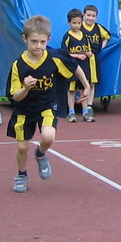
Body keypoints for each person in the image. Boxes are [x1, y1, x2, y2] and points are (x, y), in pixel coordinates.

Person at [7, 15, 93, 194]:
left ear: (49, 40)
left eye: (42, 42)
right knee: (22, 147)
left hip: (47, 106)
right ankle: (21, 175)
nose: (38, 46)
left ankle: (40, 153)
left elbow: (74, 66)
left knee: (48, 137)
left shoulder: (54, 57)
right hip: (24, 109)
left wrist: (85, 85)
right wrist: (25, 88)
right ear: (25, 39)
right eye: (34, 42)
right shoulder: (18, 65)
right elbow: (16, 96)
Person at [78, 4, 111, 121]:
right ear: (84, 15)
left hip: (93, 58)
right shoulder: (79, 27)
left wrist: (102, 47)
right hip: (81, 59)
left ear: (96, 17)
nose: (90, 18)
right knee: (83, 83)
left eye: (93, 16)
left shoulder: (98, 28)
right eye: (88, 15)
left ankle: (90, 105)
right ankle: (82, 107)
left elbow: (107, 36)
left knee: (92, 83)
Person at [60, 8, 92, 123]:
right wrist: (77, 56)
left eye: (79, 23)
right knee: (72, 90)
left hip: (84, 66)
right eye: (74, 23)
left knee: (83, 89)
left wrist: (88, 53)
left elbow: (89, 50)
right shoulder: (67, 36)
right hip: (72, 67)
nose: (77, 25)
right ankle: (71, 112)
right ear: (69, 23)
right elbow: (64, 53)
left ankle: (85, 112)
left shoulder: (84, 35)